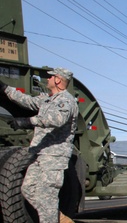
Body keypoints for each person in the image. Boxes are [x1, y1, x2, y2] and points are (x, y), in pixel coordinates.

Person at [0, 67, 79, 223]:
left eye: (50, 77)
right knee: (28, 189)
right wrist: (4, 88)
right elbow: (27, 101)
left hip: (54, 157)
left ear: (58, 80)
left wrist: (28, 122)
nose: (47, 80)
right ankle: (60, 219)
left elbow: (56, 119)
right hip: (40, 154)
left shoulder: (66, 101)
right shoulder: (48, 100)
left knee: (47, 195)